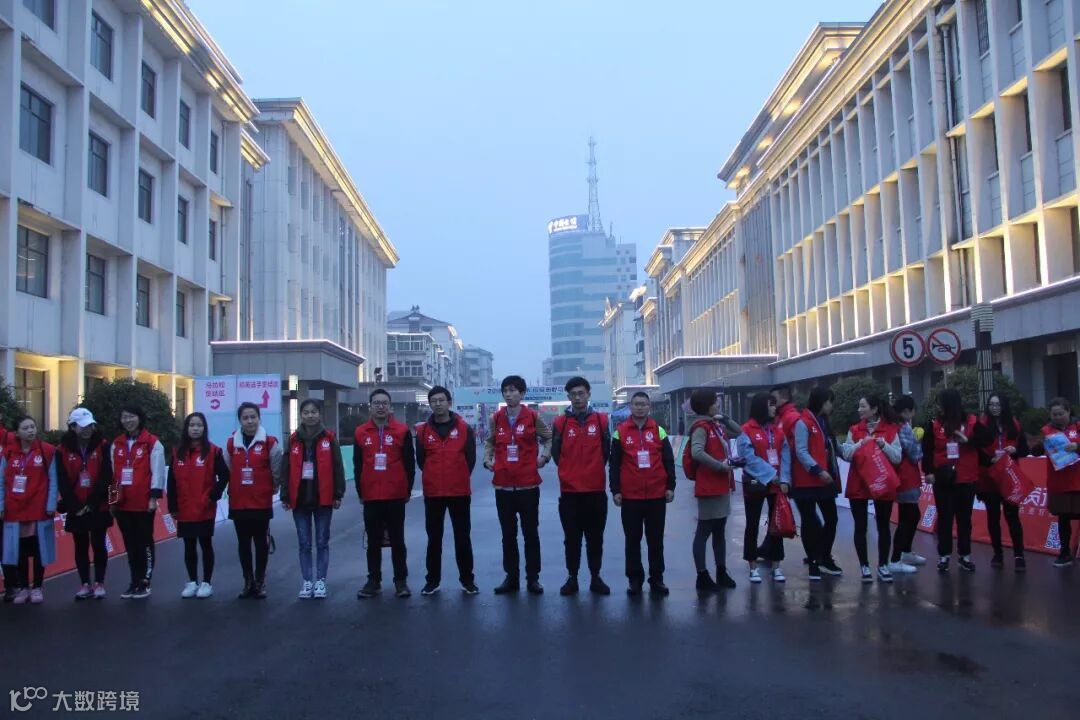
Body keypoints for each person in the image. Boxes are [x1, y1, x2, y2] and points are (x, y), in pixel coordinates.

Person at [483, 375, 552, 595]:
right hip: (503, 486)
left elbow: (549, 437)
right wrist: (487, 459)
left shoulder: (532, 416)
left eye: (513, 390)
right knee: (508, 535)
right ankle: (511, 578)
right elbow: (490, 441)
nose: (509, 394)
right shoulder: (496, 418)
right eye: (506, 390)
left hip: (528, 486)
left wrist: (544, 457)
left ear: (522, 394)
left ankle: (533, 579)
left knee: (531, 534)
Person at [609, 392, 676, 596]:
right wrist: (616, 490)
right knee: (632, 540)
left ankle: (657, 579)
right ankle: (634, 580)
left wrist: (670, 486)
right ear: (631, 406)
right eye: (636, 404)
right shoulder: (620, 432)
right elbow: (614, 465)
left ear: (649, 407)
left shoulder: (659, 431)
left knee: (656, 540)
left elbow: (668, 461)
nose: (640, 407)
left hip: (656, 495)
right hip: (630, 497)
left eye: (644, 404)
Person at [415, 386, 478, 596]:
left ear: (449, 403)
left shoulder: (464, 428)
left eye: (441, 400)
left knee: (463, 538)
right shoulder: (423, 431)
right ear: (430, 404)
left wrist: (457, 475)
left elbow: (470, 459)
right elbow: (421, 460)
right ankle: (432, 581)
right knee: (434, 539)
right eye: (434, 401)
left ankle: (468, 580)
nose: (438, 404)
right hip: (433, 493)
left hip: (459, 492)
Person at [551, 377, 611, 596]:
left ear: (588, 394)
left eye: (581, 393)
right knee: (572, 539)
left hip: (595, 491)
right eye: (573, 394)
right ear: (568, 397)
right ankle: (572, 578)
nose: (577, 398)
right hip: (570, 493)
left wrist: (593, 470)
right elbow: (556, 454)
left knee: (595, 538)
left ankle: (596, 577)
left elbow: (606, 451)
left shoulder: (601, 421)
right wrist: (570, 472)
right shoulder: (561, 423)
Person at [354, 389, 415, 599]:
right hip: (371, 495)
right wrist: (360, 492)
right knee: (373, 542)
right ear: (370, 406)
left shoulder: (401, 430)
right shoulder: (361, 432)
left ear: (390, 407)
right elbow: (357, 464)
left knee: (398, 540)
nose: (380, 407)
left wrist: (407, 490)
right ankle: (374, 581)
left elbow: (409, 463)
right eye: (376, 403)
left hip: (395, 494)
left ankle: (401, 581)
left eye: (384, 403)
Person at [922, 388, 990, 573]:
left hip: (966, 478)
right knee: (944, 518)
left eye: (941, 403)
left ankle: (964, 555)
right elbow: (927, 449)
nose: (939, 407)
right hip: (943, 478)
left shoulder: (971, 422)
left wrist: (968, 440)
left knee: (964, 519)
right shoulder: (935, 424)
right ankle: (944, 556)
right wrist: (928, 471)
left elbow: (987, 439)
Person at [282, 400, 345, 600]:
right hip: (299, 499)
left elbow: (338, 466)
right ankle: (307, 580)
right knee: (304, 543)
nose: (310, 416)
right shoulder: (293, 439)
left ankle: (321, 581)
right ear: (301, 415)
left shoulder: (329, 438)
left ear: (320, 414)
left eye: (313, 412)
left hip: (323, 498)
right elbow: (285, 468)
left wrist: (338, 493)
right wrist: (285, 495)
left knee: (322, 542)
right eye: (306, 412)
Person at [840, 395, 906, 583]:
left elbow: (897, 458)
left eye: (863, 406)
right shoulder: (854, 430)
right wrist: (861, 443)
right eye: (859, 406)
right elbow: (846, 454)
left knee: (883, 526)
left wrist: (883, 445)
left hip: (882, 485)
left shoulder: (890, 430)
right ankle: (864, 566)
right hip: (858, 484)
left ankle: (883, 565)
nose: (859, 410)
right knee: (860, 527)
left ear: (874, 409)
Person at [684, 388, 743, 592]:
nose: (718, 405)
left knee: (719, 531)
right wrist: (719, 466)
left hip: (721, 485)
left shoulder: (714, 425)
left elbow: (739, 431)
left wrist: (724, 417)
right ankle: (702, 575)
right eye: (715, 402)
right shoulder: (701, 427)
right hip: (709, 485)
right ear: (707, 405)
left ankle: (721, 571)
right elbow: (697, 452)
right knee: (704, 531)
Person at [167, 412, 230, 599]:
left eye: (199, 425)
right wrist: (172, 506)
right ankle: (192, 581)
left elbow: (224, 476)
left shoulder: (213, 451)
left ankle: (206, 582)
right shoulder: (177, 452)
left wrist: (213, 496)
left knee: (205, 544)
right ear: (186, 428)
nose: (195, 429)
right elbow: (171, 482)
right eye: (192, 425)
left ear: (204, 429)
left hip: (204, 508)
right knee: (189, 546)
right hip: (184, 508)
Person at [226, 402, 283, 599]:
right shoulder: (231, 443)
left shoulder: (270, 442)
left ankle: (259, 581)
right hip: (239, 501)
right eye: (245, 418)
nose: (250, 421)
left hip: (261, 501)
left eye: (253, 417)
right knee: (243, 544)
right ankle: (248, 581)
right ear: (240, 420)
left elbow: (276, 469)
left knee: (261, 543)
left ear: (259, 418)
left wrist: (272, 487)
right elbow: (229, 467)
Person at [56, 408, 113, 600]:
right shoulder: (61, 449)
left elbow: (108, 475)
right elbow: (62, 480)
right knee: (80, 545)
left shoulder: (103, 445)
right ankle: (85, 584)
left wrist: (93, 502)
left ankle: (99, 582)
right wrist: (75, 505)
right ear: (72, 427)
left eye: (90, 425)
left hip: (98, 504)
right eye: (83, 426)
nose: (88, 429)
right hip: (76, 506)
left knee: (99, 544)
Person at [787, 386, 842, 581]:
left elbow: (835, 447)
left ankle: (824, 556)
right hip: (807, 480)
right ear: (820, 402)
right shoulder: (803, 423)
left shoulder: (824, 423)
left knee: (831, 519)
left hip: (824, 480)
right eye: (829, 402)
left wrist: (857, 449)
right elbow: (801, 451)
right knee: (809, 521)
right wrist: (817, 469)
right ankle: (813, 562)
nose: (831, 405)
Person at [0, 416, 57, 604]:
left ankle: (38, 587)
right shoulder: (8, 453)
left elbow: (53, 480)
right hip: (15, 510)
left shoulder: (46, 450)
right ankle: (24, 587)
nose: (31, 430)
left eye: (32, 426)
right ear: (16, 433)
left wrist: (51, 505)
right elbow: (1, 482)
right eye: (25, 428)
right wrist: (1, 505)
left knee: (39, 549)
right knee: (20, 551)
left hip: (39, 509)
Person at [111, 405, 166, 599]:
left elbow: (158, 472)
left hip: (143, 503)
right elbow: (113, 474)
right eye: (124, 417)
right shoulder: (116, 444)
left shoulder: (152, 442)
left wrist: (153, 498)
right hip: (123, 504)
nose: (128, 420)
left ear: (140, 418)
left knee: (144, 543)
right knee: (130, 544)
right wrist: (113, 501)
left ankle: (145, 580)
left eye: (132, 416)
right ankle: (134, 580)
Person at [737, 392, 791, 585]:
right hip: (755, 483)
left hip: (776, 485)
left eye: (775, 404)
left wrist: (784, 479)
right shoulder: (746, 430)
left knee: (777, 525)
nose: (775, 408)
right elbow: (748, 458)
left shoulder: (777, 431)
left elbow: (786, 455)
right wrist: (770, 475)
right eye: (771, 404)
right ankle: (753, 566)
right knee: (752, 525)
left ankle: (776, 565)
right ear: (761, 406)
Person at [979, 394, 1029, 571]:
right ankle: (997, 554)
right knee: (993, 517)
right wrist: (989, 460)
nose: (995, 408)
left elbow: (1025, 450)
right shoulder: (982, 425)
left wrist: (1015, 450)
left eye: (998, 404)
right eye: (992, 404)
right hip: (989, 478)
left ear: (1004, 406)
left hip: (1009, 477)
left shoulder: (1014, 424)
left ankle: (1019, 555)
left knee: (1013, 517)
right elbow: (976, 452)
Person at [889, 395, 927, 571]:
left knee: (912, 515)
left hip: (902, 477)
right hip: (907, 477)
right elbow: (914, 454)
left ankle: (905, 551)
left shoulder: (893, 426)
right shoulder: (903, 427)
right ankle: (896, 559)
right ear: (906, 411)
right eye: (913, 411)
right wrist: (918, 441)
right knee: (907, 518)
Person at [1042, 397, 1080, 567]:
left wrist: (1077, 446)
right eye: (1054, 414)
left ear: (1069, 412)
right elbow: (1036, 450)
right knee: (1063, 519)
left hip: (1077, 480)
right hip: (1059, 482)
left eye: (1061, 413)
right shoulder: (1046, 430)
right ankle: (1064, 553)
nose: (1058, 417)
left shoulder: (1078, 427)